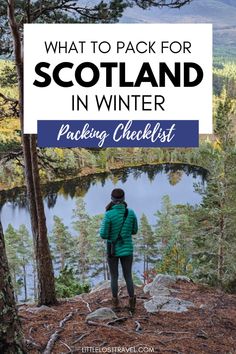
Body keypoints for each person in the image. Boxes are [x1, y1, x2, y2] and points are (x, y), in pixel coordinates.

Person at [100, 188, 138, 313]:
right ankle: (132, 304)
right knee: (128, 276)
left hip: (113, 250)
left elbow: (103, 235)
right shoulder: (131, 213)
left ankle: (115, 304)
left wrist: (112, 234)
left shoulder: (108, 214)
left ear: (112, 199)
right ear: (123, 199)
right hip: (127, 249)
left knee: (114, 276)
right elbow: (134, 231)